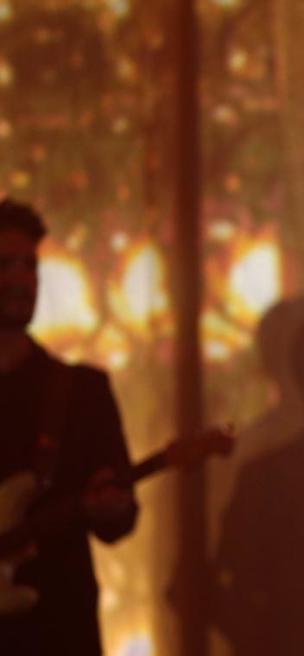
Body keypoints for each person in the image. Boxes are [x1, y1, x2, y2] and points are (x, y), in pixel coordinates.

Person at [0, 198, 138, 655]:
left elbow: (120, 520)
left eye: (29, 265)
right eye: (6, 264)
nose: (21, 279)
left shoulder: (81, 392)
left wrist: (114, 508)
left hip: (59, 630)